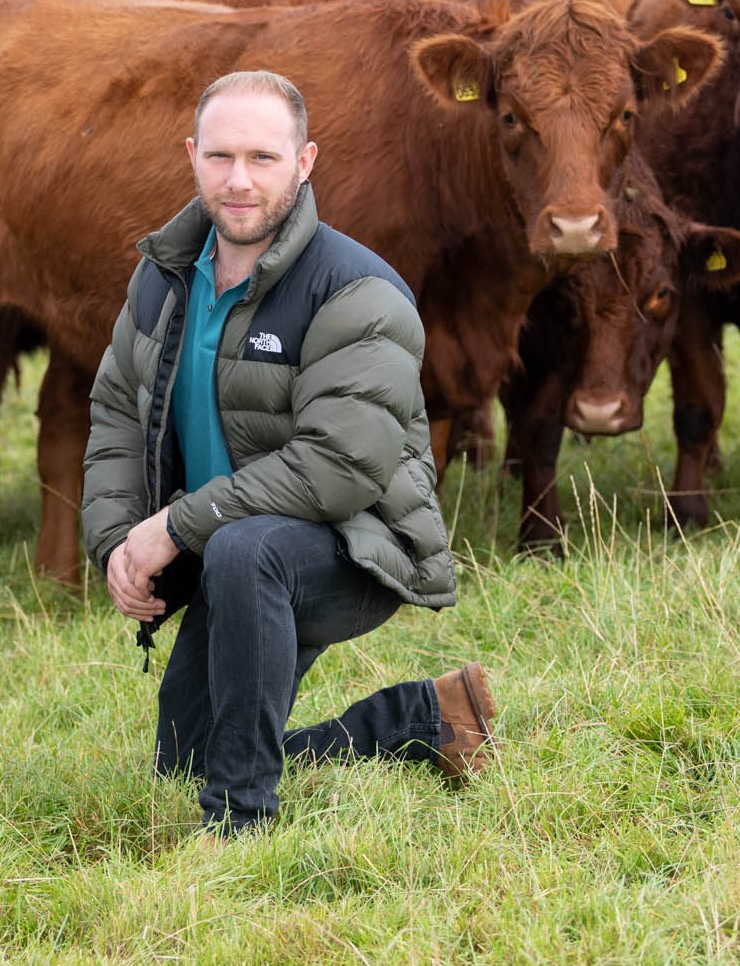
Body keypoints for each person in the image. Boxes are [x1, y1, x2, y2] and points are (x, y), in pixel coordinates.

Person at [81, 69, 495, 839]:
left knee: (245, 550)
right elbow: (112, 408)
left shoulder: (356, 290)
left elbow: (337, 470)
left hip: (351, 546)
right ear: (192, 156)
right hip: (229, 544)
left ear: (304, 162)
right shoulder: (161, 278)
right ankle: (421, 718)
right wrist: (115, 540)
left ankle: (241, 825)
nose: (239, 181)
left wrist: (172, 526)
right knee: (183, 757)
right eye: (220, 156)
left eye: (263, 159)